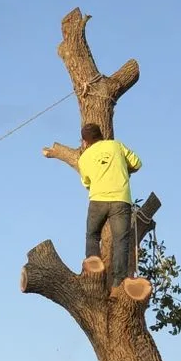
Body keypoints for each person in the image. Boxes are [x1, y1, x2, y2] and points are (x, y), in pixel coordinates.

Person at [78, 123, 141, 288]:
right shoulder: (116, 145)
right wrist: (123, 169)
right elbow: (136, 163)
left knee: (92, 235)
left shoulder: (83, 157)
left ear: (85, 141)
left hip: (98, 200)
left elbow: (86, 183)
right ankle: (119, 281)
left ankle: (93, 271)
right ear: (101, 135)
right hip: (121, 199)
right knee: (121, 240)